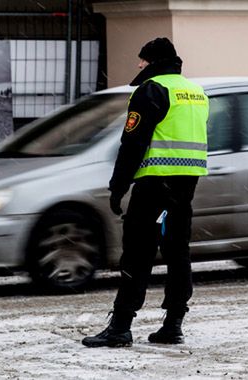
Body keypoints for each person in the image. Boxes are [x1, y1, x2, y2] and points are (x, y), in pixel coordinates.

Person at [82, 37, 209, 348]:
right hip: (186, 183)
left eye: (142, 60)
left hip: (154, 184)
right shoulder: (195, 92)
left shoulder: (151, 90)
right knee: (177, 251)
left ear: (152, 62)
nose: (138, 65)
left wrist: (118, 186)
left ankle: (121, 326)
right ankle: (173, 323)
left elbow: (133, 143)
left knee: (137, 252)